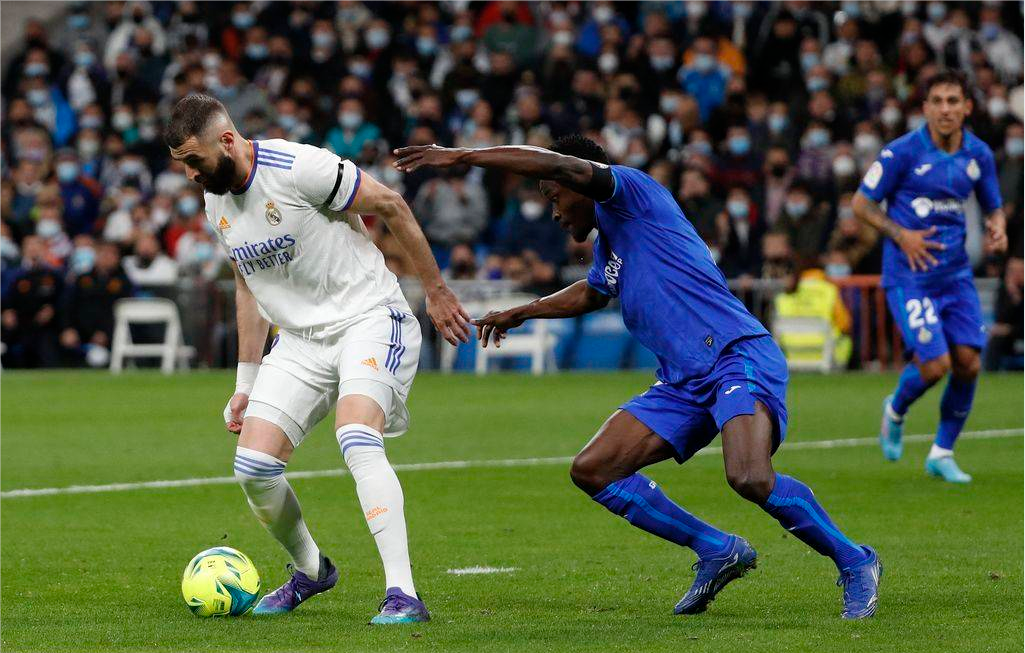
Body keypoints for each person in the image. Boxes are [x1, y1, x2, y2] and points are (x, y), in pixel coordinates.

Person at [392, 134, 881, 619]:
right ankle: (717, 548)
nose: (557, 211)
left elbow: (562, 165)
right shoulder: (610, 241)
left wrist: (463, 156)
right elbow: (591, 293)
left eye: (556, 196)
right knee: (594, 469)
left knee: (749, 476)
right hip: (682, 380)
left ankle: (855, 560)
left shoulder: (633, 193)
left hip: (734, 354)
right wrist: (524, 311)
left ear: (578, 180)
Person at [164, 93, 470, 623]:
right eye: (183, 164)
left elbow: (391, 204)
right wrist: (246, 380)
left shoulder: (300, 167)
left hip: (369, 318)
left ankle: (403, 593)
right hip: (303, 340)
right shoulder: (216, 200)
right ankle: (311, 570)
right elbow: (247, 282)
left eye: (194, 160)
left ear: (228, 141)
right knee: (254, 467)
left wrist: (436, 291)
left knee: (356, 436)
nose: (191, 174)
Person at [852, 70, 1008, 483]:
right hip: (910, 277)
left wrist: (998, 226)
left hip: (956, 277)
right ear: (924, 108)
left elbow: (993, 205)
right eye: (937, 101)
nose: (945, 109)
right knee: (936, 364)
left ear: (967, 107)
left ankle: (941, 452)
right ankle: (896, 409)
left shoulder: (979, 155)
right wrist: (903, 236)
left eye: (953, 101)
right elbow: (861, 204)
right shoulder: (901, 152)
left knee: (969, 364)